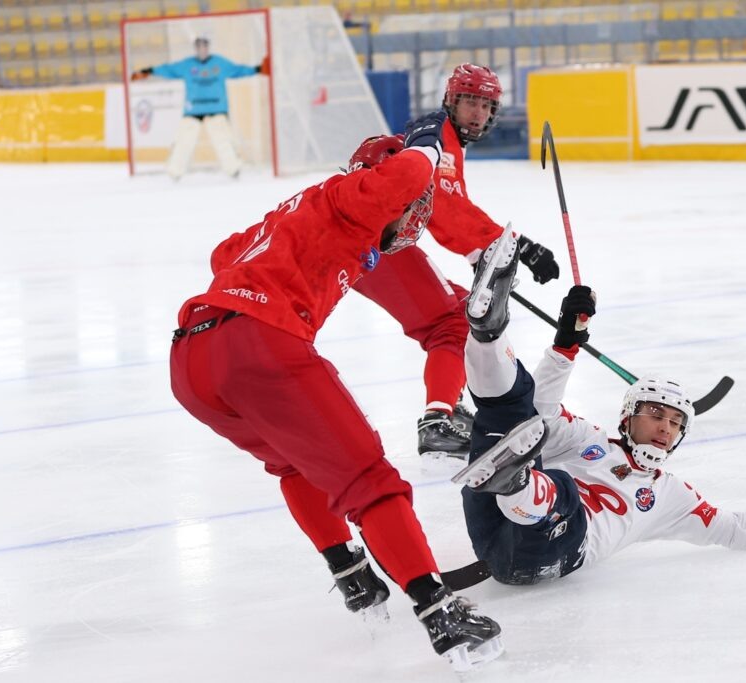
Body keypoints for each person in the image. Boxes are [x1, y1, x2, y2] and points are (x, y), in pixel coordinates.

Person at [168, 110, 503, 672]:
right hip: (261, 346)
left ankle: (352, 575)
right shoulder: (354, 197)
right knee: (370, 480)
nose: (417, 217)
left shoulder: (305, 210)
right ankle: (439, 612)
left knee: (296, 465)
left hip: (191, 360)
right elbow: (402, 179)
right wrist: (424, 150)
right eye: (415, 209)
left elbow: (223, 254)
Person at [452, 231, 746, 585]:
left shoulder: (670, 495)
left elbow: (732, 528)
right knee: (516, 407)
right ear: (627, 419)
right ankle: (486, 333)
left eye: (674, 422)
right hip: (492, 526)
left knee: (558, 485)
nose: (666, 427)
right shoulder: (588, 440)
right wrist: (565, 345)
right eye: (655, 414)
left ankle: (516, 481)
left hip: (551, 549)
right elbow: (540, 413)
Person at [353, 63, 562, 462]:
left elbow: (441, 208)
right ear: (451, 100)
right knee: (451, 322)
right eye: (470, 102)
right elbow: (445, 210)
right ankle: (437, 421)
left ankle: (447, 403)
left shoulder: (443, 138)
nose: (478, 113)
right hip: (374, 246)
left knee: (463, 312)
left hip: (376, 245)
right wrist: (510, 247)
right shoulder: (435, 138)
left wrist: (491, 252)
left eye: (486, 105)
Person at [130, 36, 269, 180]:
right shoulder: (187, 65)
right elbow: (168, 69)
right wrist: (149, 71)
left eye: (204, 46)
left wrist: (257, 69)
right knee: (184, 140)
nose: (202, 49)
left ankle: (233, 169)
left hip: (216, 107)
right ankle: (175, 172)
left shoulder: (219, 63)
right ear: (196, 49)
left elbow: (238, 70)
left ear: (208, 47)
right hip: (193, 109)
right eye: (199, 47)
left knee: (223, 139)